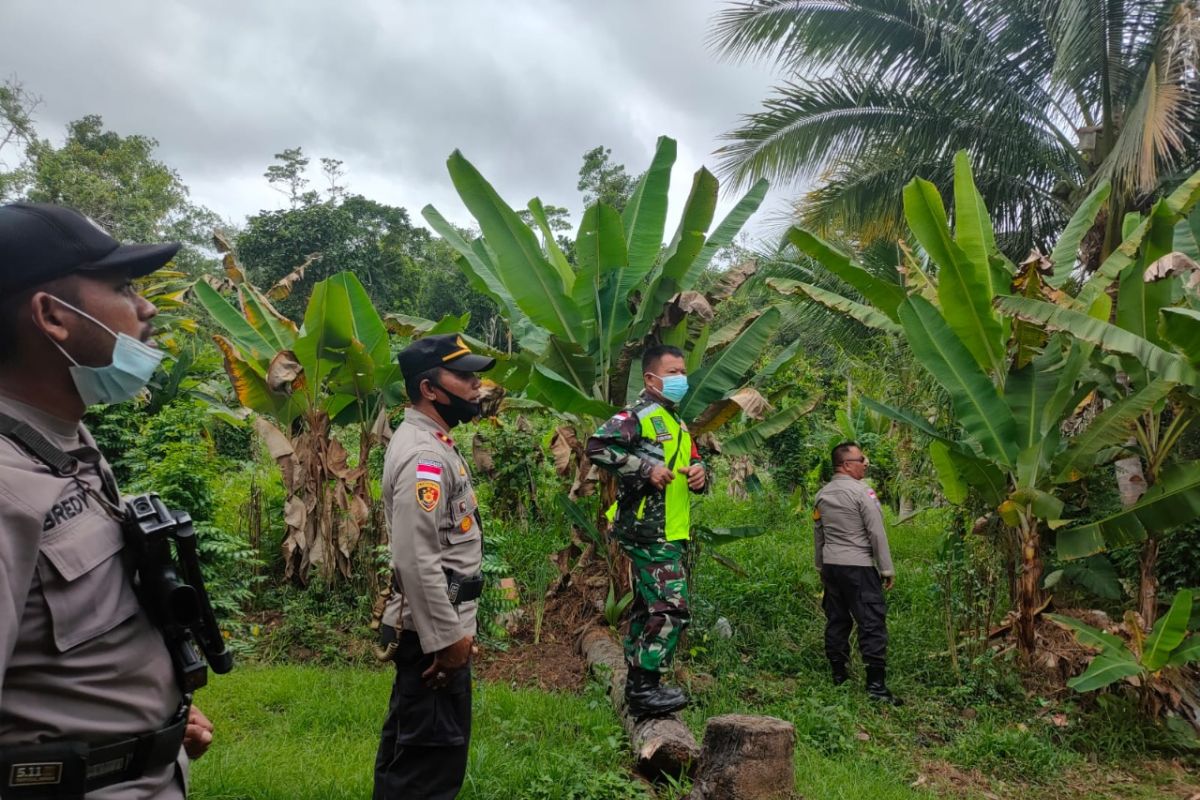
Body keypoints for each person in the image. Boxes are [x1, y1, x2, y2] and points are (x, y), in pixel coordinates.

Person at [0, 202, 214, 799]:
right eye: (122, 287)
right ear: (53, 317)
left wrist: (154, 722)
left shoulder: (66, 444)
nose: (145, 308)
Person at [373, 333, 495, 800]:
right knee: (427, 774)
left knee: (410, 760)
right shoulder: (425, 456)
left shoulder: (434, 442)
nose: (475, 384)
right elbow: (415, 558)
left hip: (434, 629)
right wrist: (448, 642)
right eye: (463, 376)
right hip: (434, 641)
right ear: (429, 389)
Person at [586, 344, 706, 719]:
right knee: (671, 609)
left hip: (672, 528)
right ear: (651, 379)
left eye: (683, 371)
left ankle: (640, 681)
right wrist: (644, 469)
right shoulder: (638, 415)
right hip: (647, 529)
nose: (680, 379)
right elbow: (597, 445)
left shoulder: (677, 423)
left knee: (648, 606)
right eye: (672, 372)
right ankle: (644, 687)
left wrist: (701, 477)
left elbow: (695, 465)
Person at [813, 441, 902, 705]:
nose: (865, 463)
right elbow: (876, 532)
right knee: (872, 622)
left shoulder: (822, 495)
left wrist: (821, 567)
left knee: (837, 619)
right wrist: (886, 568)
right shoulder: (863, 493)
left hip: (832, 566)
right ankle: (876, 687)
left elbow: (819, 535)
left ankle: (839, 676)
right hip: (859, 566)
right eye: (861, 459)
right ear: (846, 464)